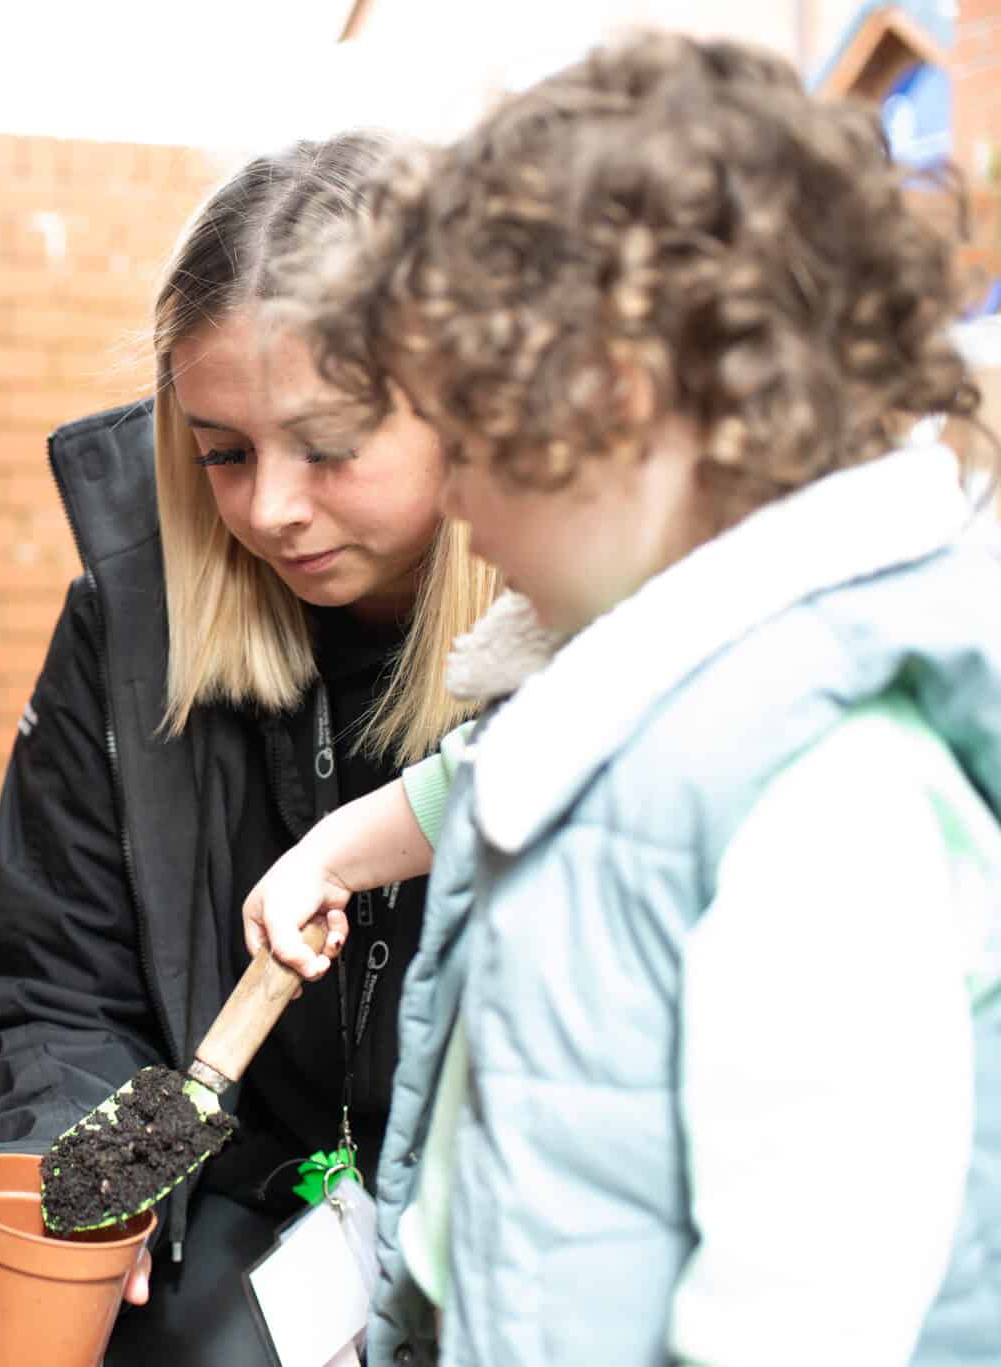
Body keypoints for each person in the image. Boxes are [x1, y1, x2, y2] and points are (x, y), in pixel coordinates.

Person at [249, 31, 1001, 1364]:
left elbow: (801, 1312)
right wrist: (331, 851)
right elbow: (491, 776)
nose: (454, 498)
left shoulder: (822, 793)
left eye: (473, 437)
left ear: (618, 405)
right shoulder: (653, 682)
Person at [0, 133, 500, 1364]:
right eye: (221, 450)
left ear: (471, 408)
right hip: (232, 1213)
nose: (269, 507)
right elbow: (50, 982)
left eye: (326, 444)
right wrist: (62, 1185)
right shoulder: (130, 626)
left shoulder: (588, 656)